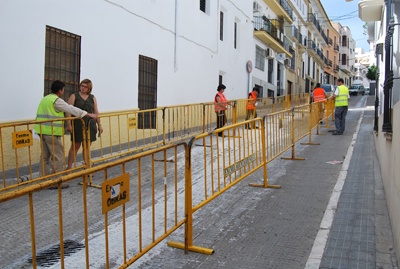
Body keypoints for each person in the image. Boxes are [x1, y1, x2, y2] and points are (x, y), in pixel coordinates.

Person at [34, 80, 97, 188]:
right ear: (60, 90)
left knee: (45, 156)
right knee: (58, 156)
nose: (63, 92)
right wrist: (86, 114)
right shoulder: (56, 100)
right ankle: (57, 181)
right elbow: (70, 108)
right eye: (63, 90)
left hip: (41, 131)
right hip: (51, 132)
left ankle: (44, 180)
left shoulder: (45, 99)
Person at [66, 79, 103, 170]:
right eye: (82, 86)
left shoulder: (92, 97)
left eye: (85, 86)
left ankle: (87, 166)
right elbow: (68, 111)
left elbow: (96, 111)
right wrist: (69, 124)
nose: (83, 88)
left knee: (86, 147)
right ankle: (69, 167)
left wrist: (99, 124)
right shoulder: (74, 96)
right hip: (78, 125)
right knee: (75, 146)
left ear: (89, 88)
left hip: (90, 124)